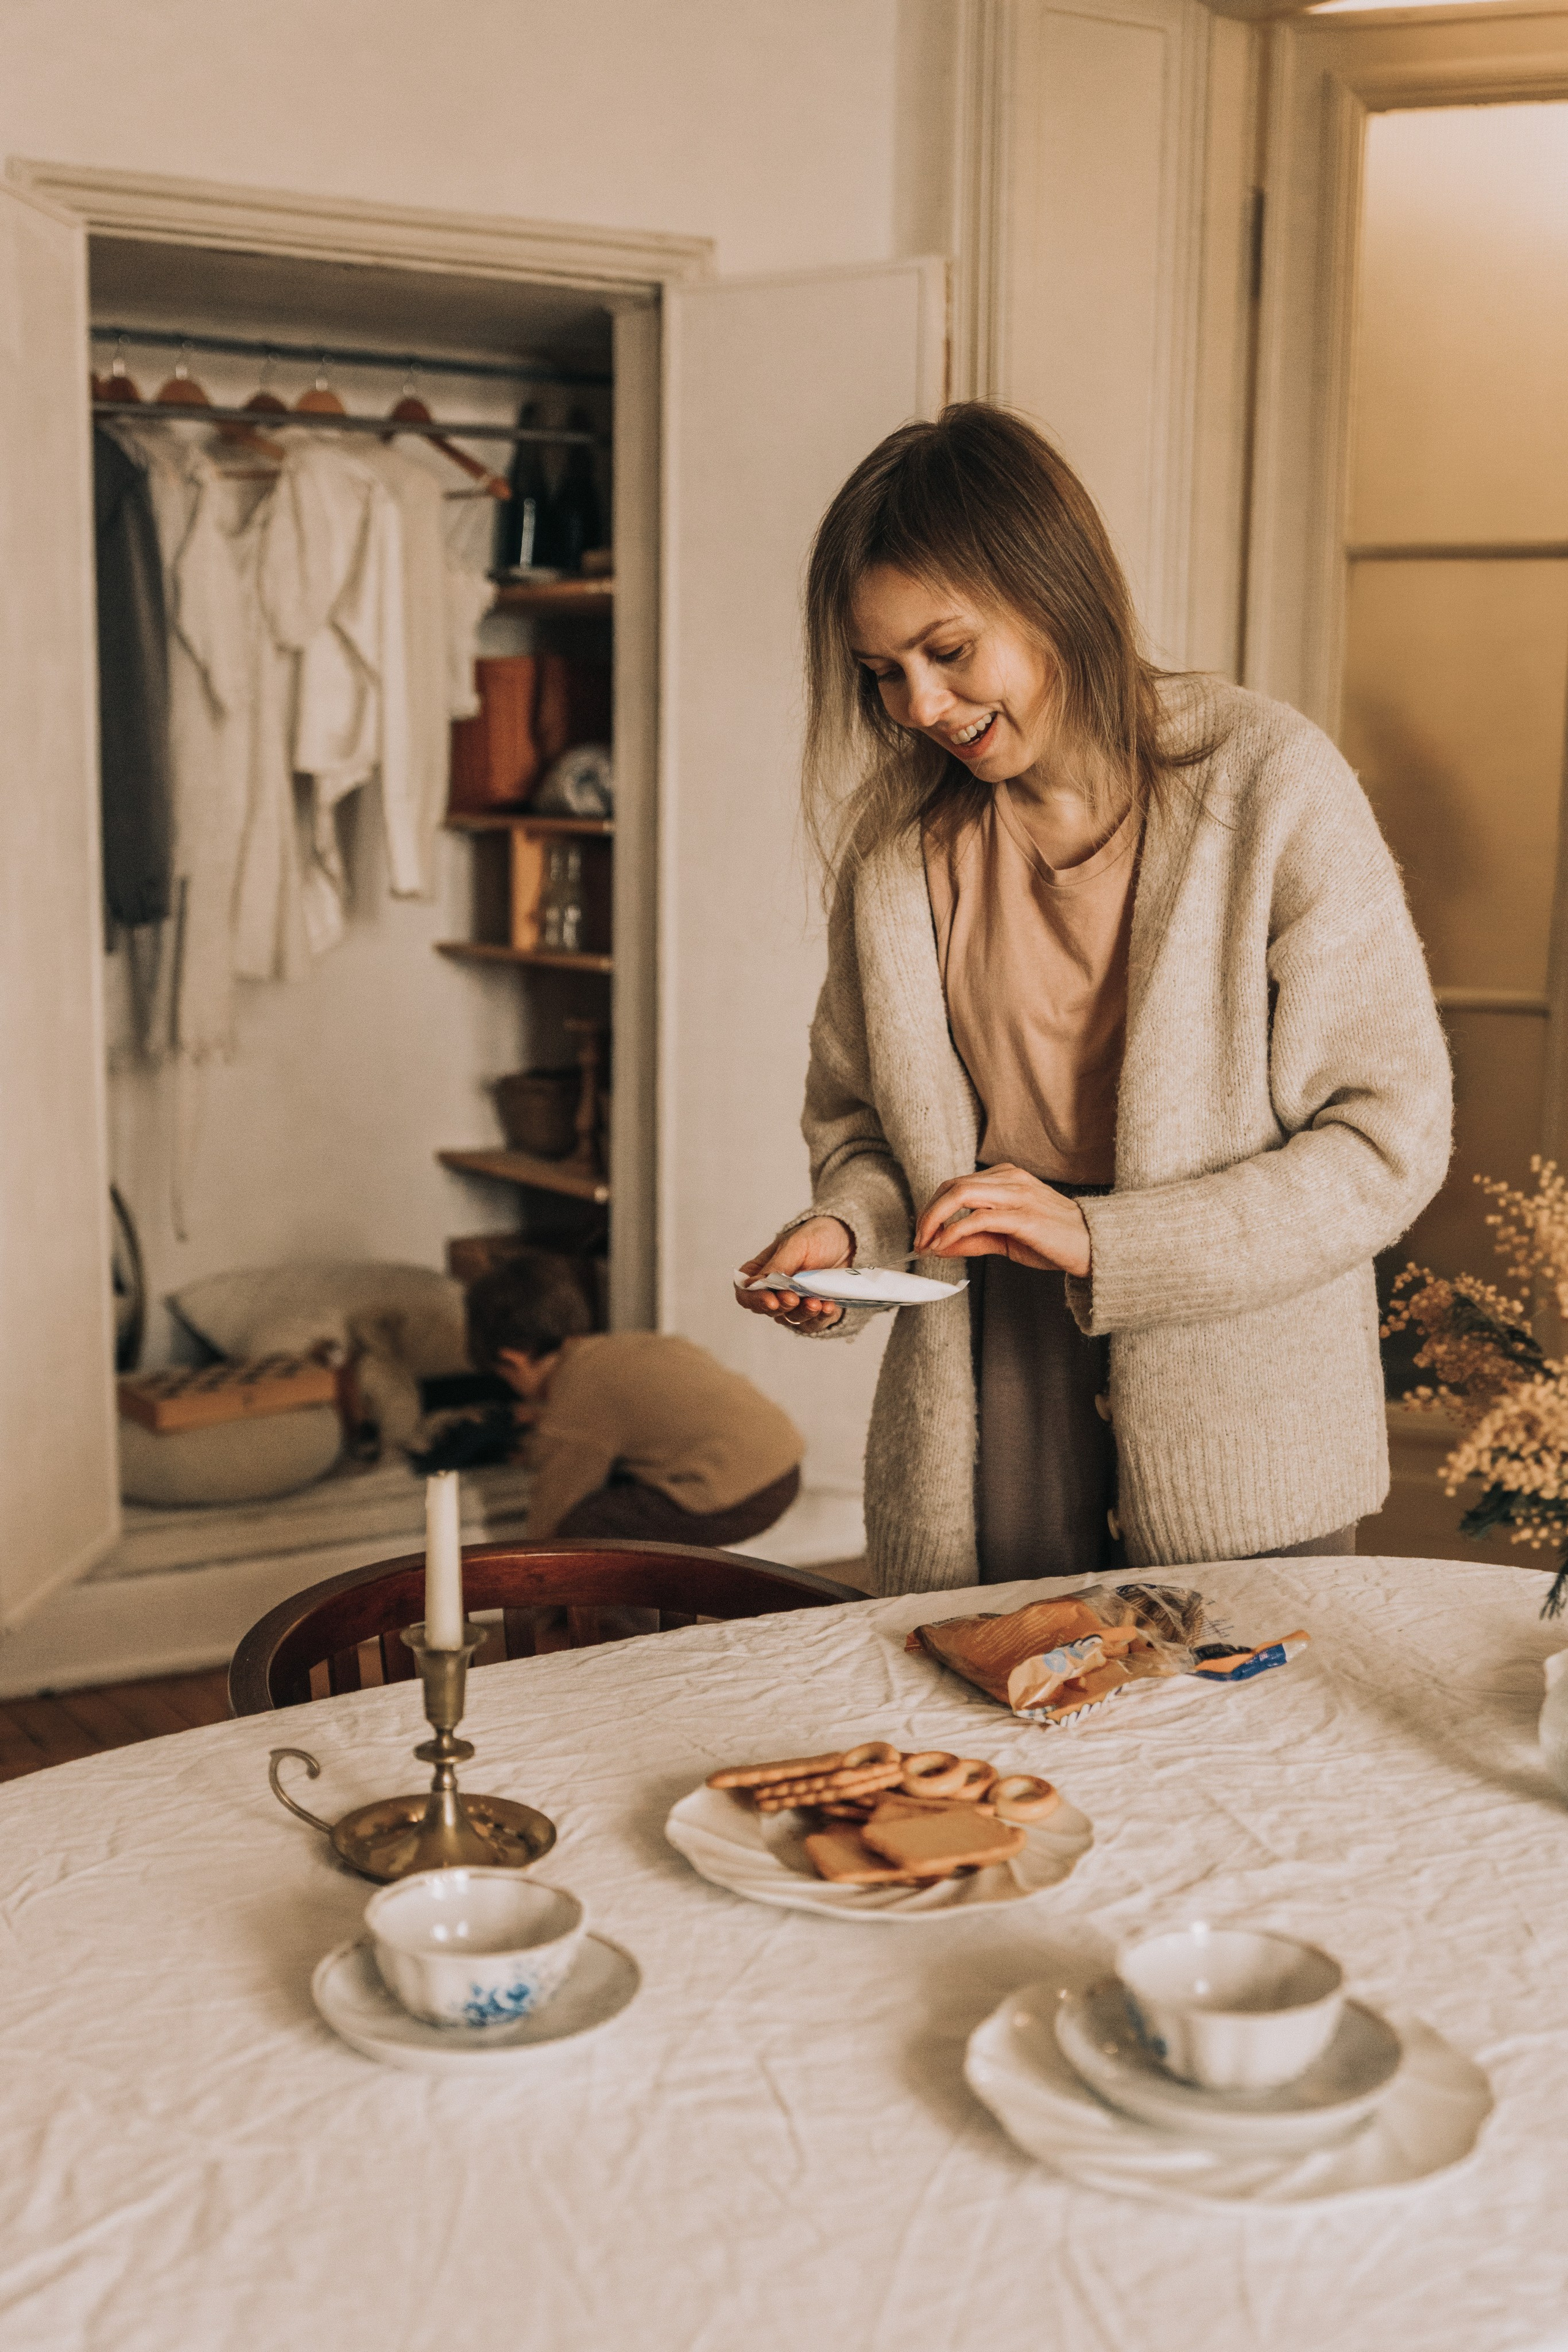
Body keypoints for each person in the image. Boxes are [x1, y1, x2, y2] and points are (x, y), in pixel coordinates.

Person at [734, 403, 1451, 1596]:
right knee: (998, 1707)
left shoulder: (1268, 785)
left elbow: (1388, 1143)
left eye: (947, 652)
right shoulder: (896, 850)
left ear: (1052, 589)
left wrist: (1106, 1242)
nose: (918, 707)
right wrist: (846, 1235)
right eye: (882, 674)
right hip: (991, 1381)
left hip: (1244, 1413)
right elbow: (862, 1129)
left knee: (1235, 1716)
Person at [467, 1259, 804, 1545]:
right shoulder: (625, 1347)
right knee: (621, 1488)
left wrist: (531, 1574)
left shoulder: (576, 1395)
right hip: (783, 1464)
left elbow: (554, 1505)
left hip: (744, 1497)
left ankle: (633, 1606)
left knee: (583, 1527)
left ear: (513, 1359)